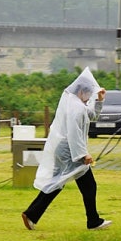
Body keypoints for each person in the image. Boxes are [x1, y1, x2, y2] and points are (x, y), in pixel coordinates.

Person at [22, 68, 111, 231]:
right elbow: (74, 133)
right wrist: (83, 155)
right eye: (89, 94)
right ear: (82, 91)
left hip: (65, 149)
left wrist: (99, 101)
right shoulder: (76, 107)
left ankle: (31, 214)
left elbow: (91, 116)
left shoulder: (76, 103)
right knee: (88, 185)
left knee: (58, 183)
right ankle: (93, 221)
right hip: (68, 151)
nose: (89, 97)